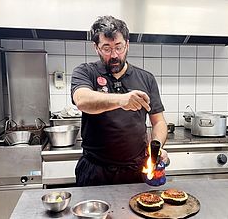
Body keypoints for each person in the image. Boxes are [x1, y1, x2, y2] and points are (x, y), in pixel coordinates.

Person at [71, 15, 168, 186]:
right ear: (96, 48)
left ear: (127, 44)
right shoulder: (86, 72)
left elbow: (158, 121)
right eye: (106, 48)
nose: (114, 54)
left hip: (136, 170)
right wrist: (121, 100)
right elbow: (82, 100)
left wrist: (156, 146)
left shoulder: (146, 78)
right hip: (95, 171)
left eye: (119, 47)